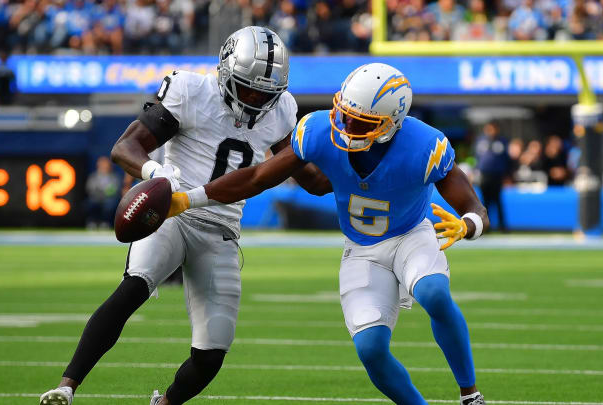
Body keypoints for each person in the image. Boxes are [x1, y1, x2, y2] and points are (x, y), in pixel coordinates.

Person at [39, 26, 328, 405]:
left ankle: (165, 403)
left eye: (266, 93)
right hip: (172, 212)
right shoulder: (189, 89)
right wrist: (154, 174)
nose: (256, 100)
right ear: (225, 70)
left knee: (212, 352)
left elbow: (314, 181)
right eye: (248, 87)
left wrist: (344, 154)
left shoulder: (284, 110)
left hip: (222, 230)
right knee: (134, 287)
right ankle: (67, 386)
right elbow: (126, 147)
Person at [168, 63, 489, 405]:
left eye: (359, 122)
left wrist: (469, 225)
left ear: (390, 123)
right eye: (344, 113)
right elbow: (258, 176)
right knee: (370, 350)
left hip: (411, 235)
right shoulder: (320, 130)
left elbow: (472, 203)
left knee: (434, 294)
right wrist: (189, 198)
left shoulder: (424, 145)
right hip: (361, 248)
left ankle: (470, 395)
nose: (346, 125)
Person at [474, 121, 510, 232]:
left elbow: (506, 159)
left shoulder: (502, 141)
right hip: (484, 174)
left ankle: (502, 226)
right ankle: (486, 226)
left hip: (497, 175)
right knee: (485, 202)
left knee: (498, 201)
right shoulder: (480, 141)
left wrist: (507, 174)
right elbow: (477, 157)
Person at [85, 156, 121, 229]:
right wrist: (102, 192)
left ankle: (105, 223)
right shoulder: (93, 177)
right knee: (91, 202)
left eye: (106, 164)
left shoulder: (114, 177)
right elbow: (89, 189)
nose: (104, 166)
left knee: (110, 204)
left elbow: (114, 190)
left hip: (109, 199)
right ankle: (93, 222)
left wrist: (104, 192)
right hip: (96, 198)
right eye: (102, 164)